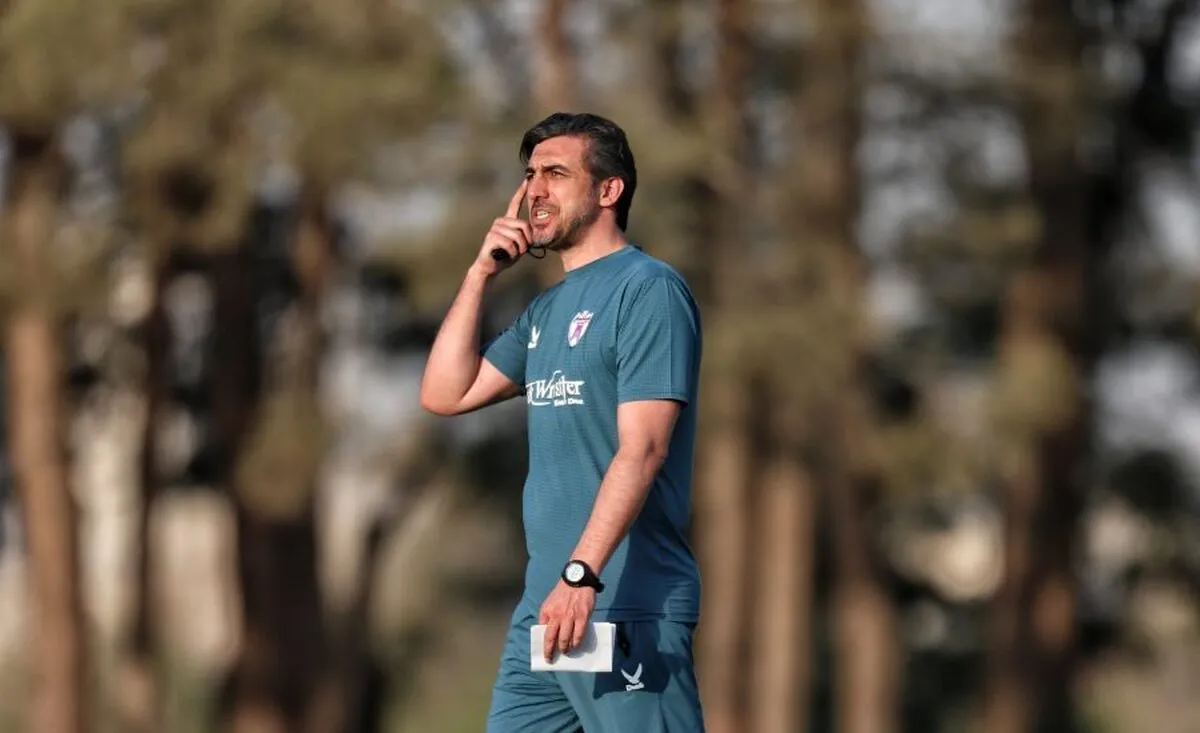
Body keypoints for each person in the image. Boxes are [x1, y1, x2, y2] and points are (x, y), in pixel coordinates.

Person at [419, 111, 705, 732]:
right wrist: (480, 274)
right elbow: (445, 393)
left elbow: (644, 450)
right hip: (546, 609)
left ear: (609, 190)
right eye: (530, 175)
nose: (535, 190)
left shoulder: (648, 290)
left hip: (620, 602)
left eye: (556, 173)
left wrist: (582, 575)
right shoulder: (546, 310)